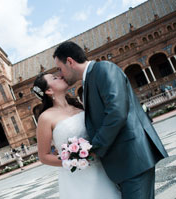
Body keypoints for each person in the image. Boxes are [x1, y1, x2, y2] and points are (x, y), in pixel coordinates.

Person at [52, 41, 168, 198]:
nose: (60, 74)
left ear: (70, 62)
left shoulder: (103, 69)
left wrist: (94, 149)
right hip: (124, 163)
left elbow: (117, 112)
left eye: (60, 68)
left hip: (133, 159)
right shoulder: (89, 79)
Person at [33, 72, 120, 199]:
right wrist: (73, 160)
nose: (60, 76)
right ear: (49, 90)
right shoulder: (45, 117)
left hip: (102, 167)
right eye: (54, 78)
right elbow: (44, 156)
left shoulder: (79, 107)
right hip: (77, 176)